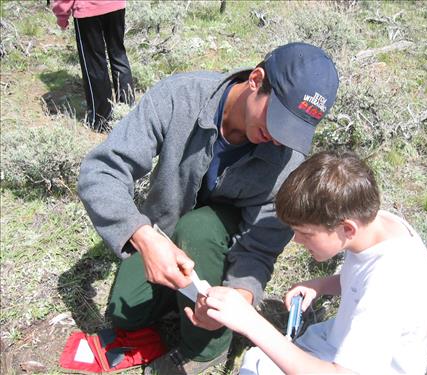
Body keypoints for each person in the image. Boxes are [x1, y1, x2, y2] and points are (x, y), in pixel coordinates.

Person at [77, 42, 339, 374]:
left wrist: (239, 300)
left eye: (292, 130)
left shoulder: (288, 161)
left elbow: (260, 247)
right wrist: (144, 237)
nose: (278, 137)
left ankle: (205, 351)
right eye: (276, 119)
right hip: (164, 232)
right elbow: (101, 171)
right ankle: (182, 292)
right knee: (125, 313)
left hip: (219, 240)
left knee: (199, 228)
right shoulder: (180, 96)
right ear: (256, 80)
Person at [199, 152, 427, 375]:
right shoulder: (377, 226)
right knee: (260, 362)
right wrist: (321, 285)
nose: (296, 240)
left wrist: (251, 323)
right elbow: (362, 277)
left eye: (305, 233)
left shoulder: (391, 284)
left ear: (347, 228)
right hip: (338, 342)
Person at [52, 0, 135, 131]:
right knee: (118, 54)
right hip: (116, 5)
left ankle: (101, 120)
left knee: (94, 63)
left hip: (88, 9)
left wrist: (62, 14)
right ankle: (129, 113)